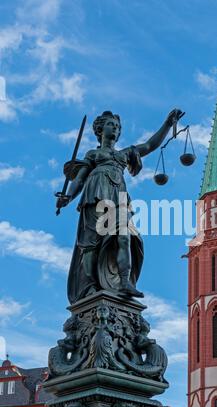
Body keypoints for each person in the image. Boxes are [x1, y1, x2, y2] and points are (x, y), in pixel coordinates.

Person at [56, 108, 183, 303]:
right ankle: (90, 287)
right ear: (100, 129)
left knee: (125, 236)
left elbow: (150, 145)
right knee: (91, 245)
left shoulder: (124, 154)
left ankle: (124, 281)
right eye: (110, 125)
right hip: (95, 196)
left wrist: (167, 124)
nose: (114, 128)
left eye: (117, 126)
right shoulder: (93, 154)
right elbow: (79, 180)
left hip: (118, 199)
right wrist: (68, 197)